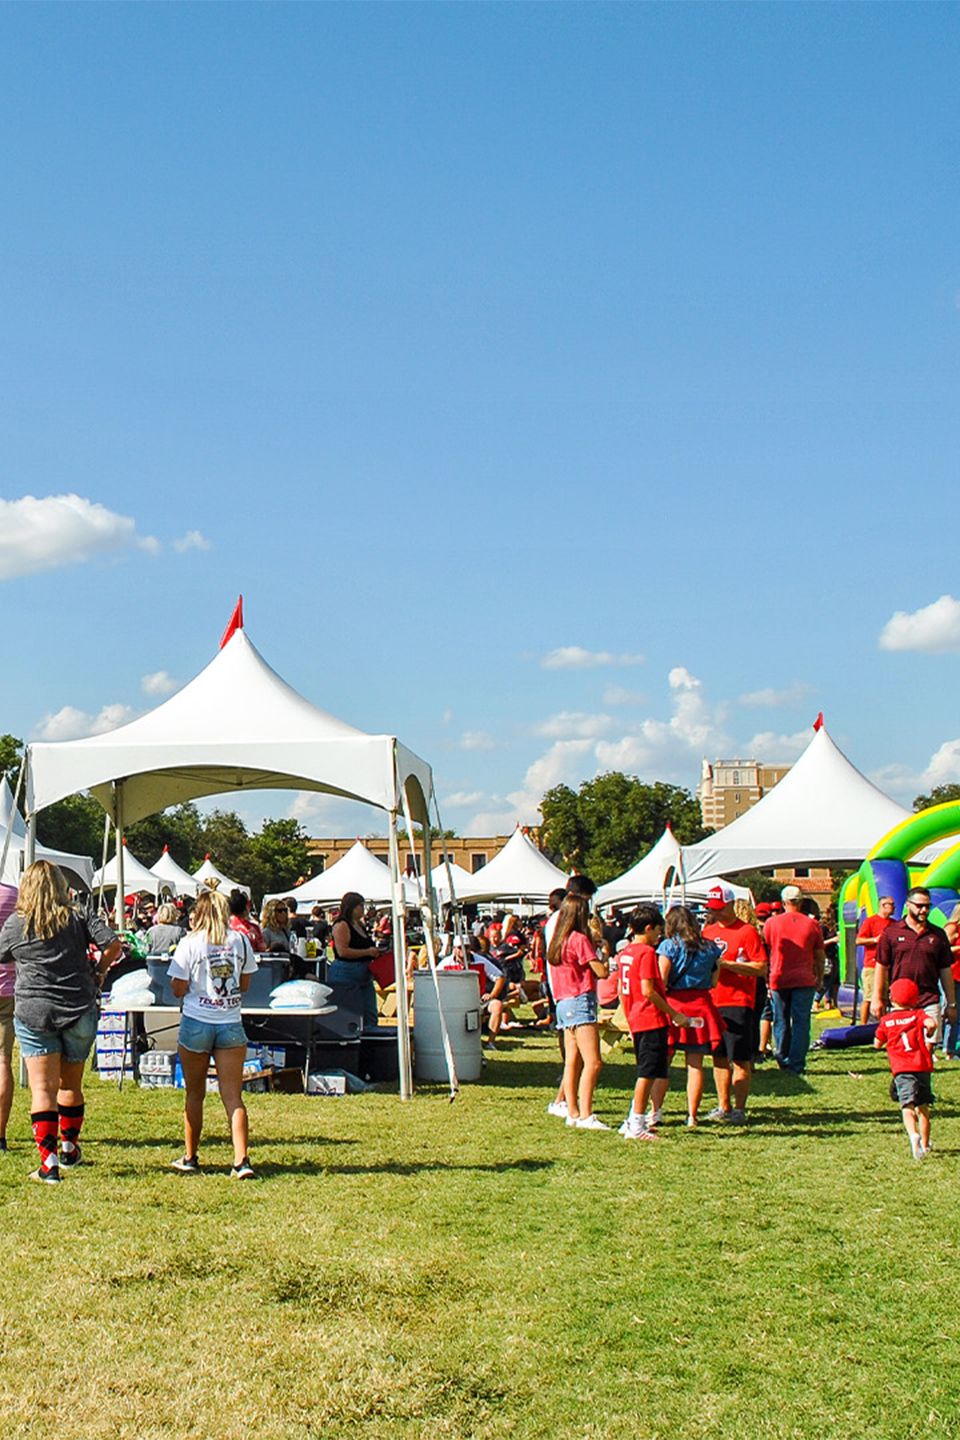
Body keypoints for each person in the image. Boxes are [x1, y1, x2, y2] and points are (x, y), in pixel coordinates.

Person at [0, 861, 121, 1183]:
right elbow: (113, 945)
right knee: (71, 1084)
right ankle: (69, 1147)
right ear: (59, 885)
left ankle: (48, 1163)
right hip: (79, 1006)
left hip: (34, 1011)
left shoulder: (17, 924)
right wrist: (99, 971)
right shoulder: (79, 915)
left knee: (42, 1088)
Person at [167, 887, 258, 1179]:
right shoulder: (241, 940)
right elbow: (245, 985)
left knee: (195, 1094)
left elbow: (177, 988)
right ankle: (241, 1160)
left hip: (196, 1021)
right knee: (233, 1096)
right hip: (230, 1021)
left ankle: (191, 1156)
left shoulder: (190, 943)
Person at [617, 904, 690, 1140]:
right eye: (658, 931)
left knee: (650, 1069)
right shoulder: (646, 953)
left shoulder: (625, 952)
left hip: (636, 1017)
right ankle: (636, 1122)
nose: (660, 936)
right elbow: (648, 990)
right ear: (648, 929)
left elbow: (621, 989)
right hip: (650, 1018)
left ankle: (633, 1119)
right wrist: (673, 1013)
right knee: (647, 1072)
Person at [702, 882, 767, 1124]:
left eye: (720, 908)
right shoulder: (707, 933)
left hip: (738, 1002)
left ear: (731, 904)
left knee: (739, 1058)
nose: (716, 913)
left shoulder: (747, 932)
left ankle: (739, 1108)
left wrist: (729, 965)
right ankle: (723, 1106)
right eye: (712, 909)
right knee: (718, 1057)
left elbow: (760, 968)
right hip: (712, 1001)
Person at [657, 906, 724, 1128]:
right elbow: (714, 981)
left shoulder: (669, 946)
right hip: (702, 1006)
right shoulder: (711, 947)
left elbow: (661, 979)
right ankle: (692, 1116)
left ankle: (655, 1110)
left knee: (662, 1062)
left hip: (674, 1005)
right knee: (695, 1065)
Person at [546, 891, 609, 1129]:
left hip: (563, 1001)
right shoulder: (579, 940)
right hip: (580, 999)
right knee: (592, 1062)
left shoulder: (558, 940)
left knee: (572, 1060)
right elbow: (600, 972)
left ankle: (572, 1110)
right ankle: (585, 1114)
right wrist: (604, 955)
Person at [873, 887, 955, 1045]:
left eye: (927, 906)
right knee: (903, 1047)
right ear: (908, 905)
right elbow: (881, 966)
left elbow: (945, 970)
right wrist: (877, 998)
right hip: (900, 1001)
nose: (924, 910)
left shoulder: (937, 934)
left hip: (929, 998)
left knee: (928, 1047)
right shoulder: (891, 932)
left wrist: (951, 1003)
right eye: (919, 906)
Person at [763, 884, 825, 1075]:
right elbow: (820, 955)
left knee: (780, 1020)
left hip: (778, 977)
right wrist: (820, 977)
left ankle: (782, 1057)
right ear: (801, 902)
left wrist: (766, 976)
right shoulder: (812, 924)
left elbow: (766, 951)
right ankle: (797, 1063)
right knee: (801, 1022)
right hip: (804, 978)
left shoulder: (771, 924)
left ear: (783, 903)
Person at [874, 977, 937, 1160]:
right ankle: (925, 1144)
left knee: (907, 1105)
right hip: (921, 1066)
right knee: (923, 1107)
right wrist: (930, 1032)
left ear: (892, 999)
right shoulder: (918, 1015)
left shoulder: (887, 1020)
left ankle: (913, 1134)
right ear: (915, 999)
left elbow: (877, 1043)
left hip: (902, 1068)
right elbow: (931, 1024)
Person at [329, 891, 380, 1030]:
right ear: (352, 907)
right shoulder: (342, 925)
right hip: (346, 972)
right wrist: (367, 952)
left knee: (370, 1013)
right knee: (349, 1012)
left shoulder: (360, 925)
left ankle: (370, 1041)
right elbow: (342, 951)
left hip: (364, 973)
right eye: (360, 906)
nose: (363, 909)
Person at [855, 896, 895, 1025]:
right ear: (883, 906)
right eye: (891, 905)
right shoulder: (870, 921)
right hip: (872, 965)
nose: (894, 907)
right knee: (869, 996)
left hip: (889, 966)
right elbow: (858, 940)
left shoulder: (894, 923)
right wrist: (874, 940)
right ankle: (863, 1024)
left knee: (884, 997)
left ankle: (882, 1025)